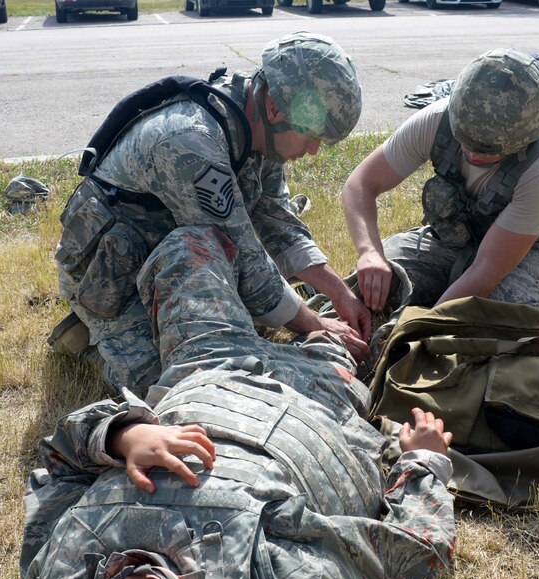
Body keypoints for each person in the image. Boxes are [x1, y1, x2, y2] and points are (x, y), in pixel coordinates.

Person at [6, 224, 456, 579]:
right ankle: (345, 313)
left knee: (189, 241)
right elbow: (409, 559)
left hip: (208, 369)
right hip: (321, 396)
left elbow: (58, 460)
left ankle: (286, 300)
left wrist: (122, 435)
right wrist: (423, 465)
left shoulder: (56, 565)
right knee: (390, 312)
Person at [51, 31, 371, 394]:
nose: (313, 150)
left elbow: (279, 222)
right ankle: (97, 338)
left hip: (176, 258)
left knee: (230, 334)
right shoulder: (192, 141)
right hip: (114, 280)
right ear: (276, 109)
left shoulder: (259, 129)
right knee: (189, 383)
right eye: (312, 134)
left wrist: (340, 294)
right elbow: (250, 266)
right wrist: (315, 324)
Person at [341, 47, 539, 317]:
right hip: (457, 238)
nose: (472, 155)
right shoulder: (439, 119)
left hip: (530, 250)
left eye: (489, 151)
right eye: (465, 141)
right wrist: (370, 253)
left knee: (494, 316)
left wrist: (424, 327)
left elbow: (486, 269)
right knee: (376, 281)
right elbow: (360, 184)